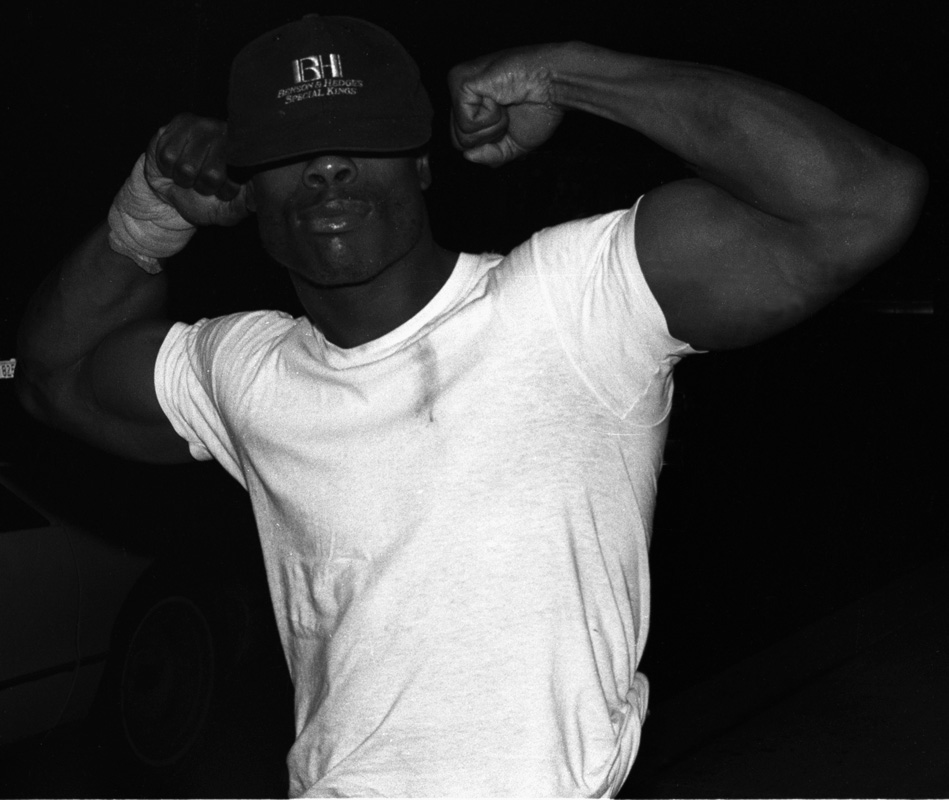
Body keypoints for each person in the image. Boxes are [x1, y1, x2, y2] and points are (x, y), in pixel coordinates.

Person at [15, 13, 926, 797]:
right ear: (247, 191)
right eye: (292, 153)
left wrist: (568, 71)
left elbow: (860, 200)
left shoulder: (570, 301)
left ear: (420, 165)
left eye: (361, 139)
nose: (328, 170)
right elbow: (54, 379)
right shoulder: (246, 370)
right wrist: (148, 211)